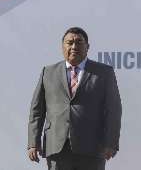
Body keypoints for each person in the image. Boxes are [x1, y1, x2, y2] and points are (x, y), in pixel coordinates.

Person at [28, 27, 122, 169]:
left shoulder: (104, 73)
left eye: (79, 42)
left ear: (87, 46)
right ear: (62, 46)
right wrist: (33, 143)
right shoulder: (48, 72)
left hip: (92, 148)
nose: (74, 46)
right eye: (69, 42)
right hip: (57, 148)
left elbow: (113, 111)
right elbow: (37, 112)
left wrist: (111, 143)